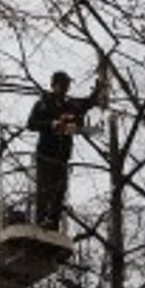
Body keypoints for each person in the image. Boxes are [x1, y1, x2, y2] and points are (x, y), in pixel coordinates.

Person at [25, 65, 106, 229]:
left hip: (63, 156)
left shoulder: (70, 105)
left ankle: (52, 224)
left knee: (59, 192)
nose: (65, 87)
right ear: (54, 85)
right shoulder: (43, 104)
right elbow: (31, 124)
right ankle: (40, 221)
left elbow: (87, 104)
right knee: (44, 190)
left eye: (67, 84)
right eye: (62, 84)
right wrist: (51, 124)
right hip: (46, 154)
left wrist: (97, 91)